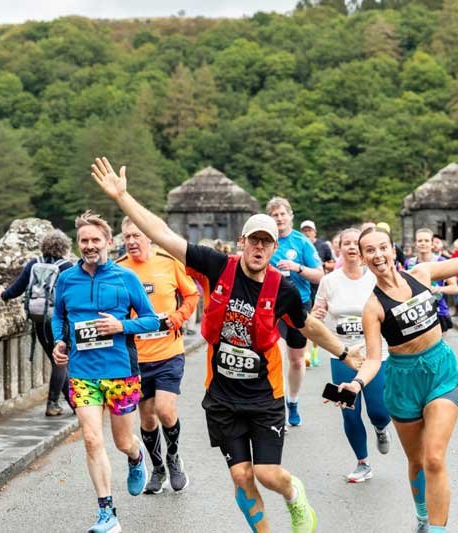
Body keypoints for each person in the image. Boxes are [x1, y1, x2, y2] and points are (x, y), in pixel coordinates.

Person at [91, 156, 355, 533]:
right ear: (242, 242)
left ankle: (294, 494)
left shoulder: (282, 288)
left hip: (264, 394)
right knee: (241, 476)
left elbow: (308, 326)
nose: (259, 248)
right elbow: (164, 234)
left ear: (274, 247)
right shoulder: (217, 266)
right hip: (223, 397)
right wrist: (123, 197)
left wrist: (345, 353)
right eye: (254, 241)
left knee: (266, 473)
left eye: (268, 242)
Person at [336, 186, 458, 533]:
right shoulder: (373, 308)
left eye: (382, 247)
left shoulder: (422, 274)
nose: (377, 255)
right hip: (403, 381)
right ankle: (423, 515)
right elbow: (374, 358)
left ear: (392, 250)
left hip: (440, 370)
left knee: (435, 457)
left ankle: (436, 529)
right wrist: (356, 383)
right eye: (369, 251)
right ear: (362, 259)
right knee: (417, 461)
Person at [50, 211, 159, 533]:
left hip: (121, 371)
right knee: (91, 439)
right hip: (82, 373)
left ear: (109, 242)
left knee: (123, 440)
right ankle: (107, 512)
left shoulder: (126, 278)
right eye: (84, 240)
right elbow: (59, 316)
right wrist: (59, 341)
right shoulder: (68, 278)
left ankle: (137, 456)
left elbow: (152, 320)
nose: (89, 245)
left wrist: (120, 325)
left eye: (95, 240)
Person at [116, 217, 200, 494]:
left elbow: (192, 296)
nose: (131, 241)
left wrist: (178, 317)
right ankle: (157, 469)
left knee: (165, 410)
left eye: (137, 235)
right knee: (148, 419)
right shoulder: (117, 269)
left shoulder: (169, 261)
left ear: (149, 237)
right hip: (135, 358)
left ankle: (174, 459)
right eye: (127, 236)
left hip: (168, 352)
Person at [312, 227, 392, 484]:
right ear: (339, 249)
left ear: (361, 249)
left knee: (380, 411)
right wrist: (317, 316)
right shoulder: (329, 281)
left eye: (355, 243)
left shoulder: (375, 279)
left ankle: (380, 428)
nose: (350, 248)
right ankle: (362, 462)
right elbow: (317, 315)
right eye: (345, 243)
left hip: (376, 353)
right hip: (342, 355)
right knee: (349, 411)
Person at [0, 229, 74, 416]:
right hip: (60, 320)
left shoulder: (34, 263)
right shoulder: (67, 267)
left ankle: (73, 403)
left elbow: (17, 289)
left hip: (39, 319)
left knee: (58, 361)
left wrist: (2, 294)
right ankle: (53, 403)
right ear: (64, 247)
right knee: (61, 361)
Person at [267, 197, 324, 426]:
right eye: (275, 215)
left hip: (299, 304)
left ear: (290, 216)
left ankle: (293, 400)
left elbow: (319, 274)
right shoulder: (266, 242)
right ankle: (277, 408)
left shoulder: (302, 243)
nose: (279, 219)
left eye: (282, 214)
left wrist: (297, 268)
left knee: (297, 361)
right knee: (277, 357)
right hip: (272, 306)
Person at [406, 228, 458, 333]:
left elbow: (455, 288)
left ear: (432, 244)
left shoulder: (441, 262)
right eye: (420, 241)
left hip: (438, 311)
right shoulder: (409, 263)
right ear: (415, 244)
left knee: (438, 348)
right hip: (416, 314)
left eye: (426, 241)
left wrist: (438, 289)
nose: (423, 243)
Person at [300, 219, 333, 368]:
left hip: (320, 286)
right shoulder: (300, 245)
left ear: (314, 231)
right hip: (305, 287)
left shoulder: (323, 246)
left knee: (317, 321)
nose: (307, 232)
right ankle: (306, 352)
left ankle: (314, 351)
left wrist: (321, 265)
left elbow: (332, 263)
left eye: (309, 230)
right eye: (304, 230)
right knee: (306, 320)